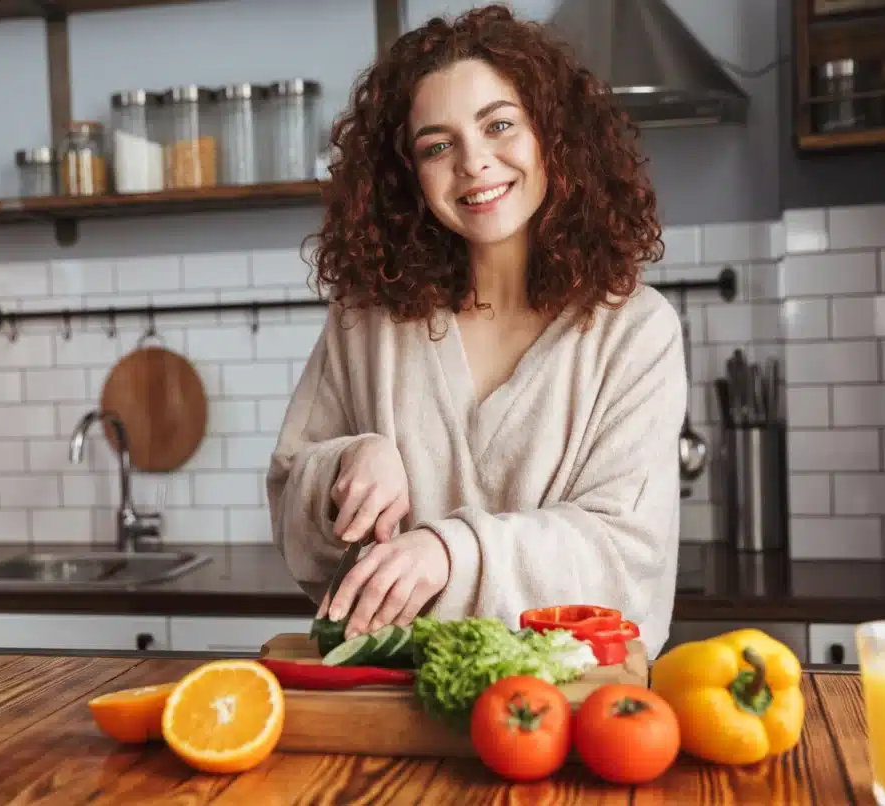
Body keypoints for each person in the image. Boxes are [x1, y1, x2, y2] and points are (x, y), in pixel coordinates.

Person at [266, 4, 687, 660]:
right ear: (408, 176)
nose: (474, 163)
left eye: (499, 126)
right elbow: (295, 505)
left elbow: (623, 556)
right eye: (437, 145)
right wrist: (349, 462)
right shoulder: (369, 319)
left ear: (554, 137)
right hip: (397, 701)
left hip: (570, 711)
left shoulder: (635, 331)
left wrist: (451, 552)